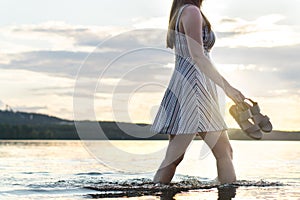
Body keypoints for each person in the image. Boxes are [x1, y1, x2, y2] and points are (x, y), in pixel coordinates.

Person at [150, 0, 245, 184]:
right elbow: (198, 56)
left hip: (184, 85)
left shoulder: (182, 11)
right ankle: (227, 191)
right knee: (223, 153)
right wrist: (229, 89)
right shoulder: (192, 11)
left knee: (175, 157)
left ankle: (157, 191)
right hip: (195, 87)